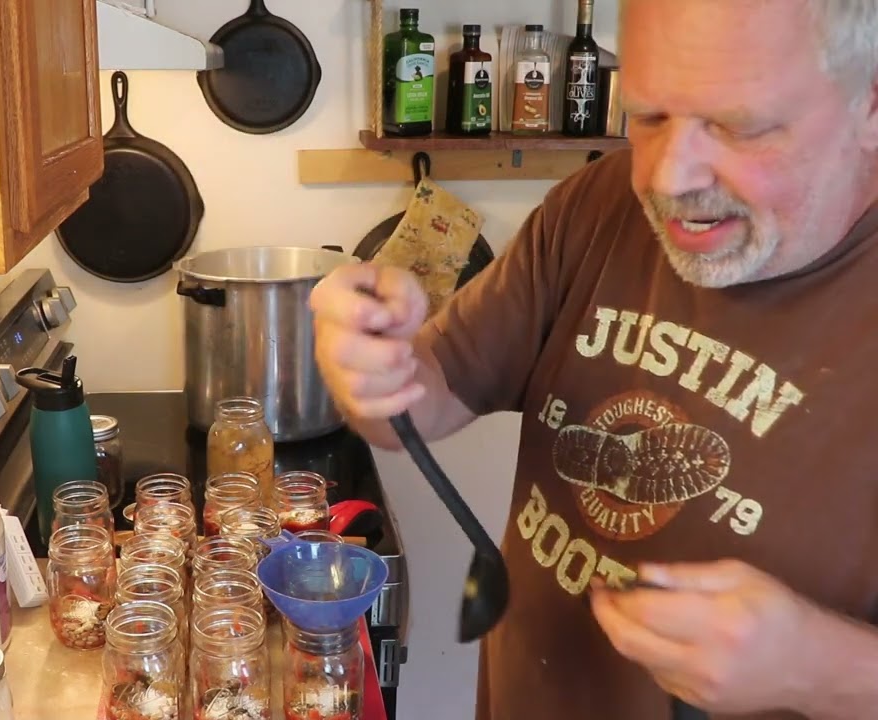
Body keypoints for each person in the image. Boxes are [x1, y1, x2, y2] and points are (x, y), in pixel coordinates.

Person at [309, 1, 878, 718]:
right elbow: (418, 404)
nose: (670, 178)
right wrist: (369, 362)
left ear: (870, 105)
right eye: (647, 116)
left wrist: (825, 669)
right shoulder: (598, 206)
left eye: (738, 125)